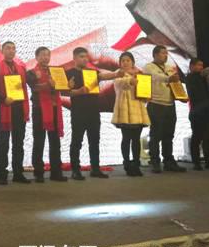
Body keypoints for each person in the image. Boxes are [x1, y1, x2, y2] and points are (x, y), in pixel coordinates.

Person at [64, 47, 119, 180]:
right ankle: (75, 170)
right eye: (81, 56)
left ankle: (95, 168)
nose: (85, 59)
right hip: (78, 112)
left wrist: (117, 73)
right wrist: (77, 91)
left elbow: (104, 76)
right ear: (75, 58)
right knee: (77, 142)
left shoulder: (92, 72)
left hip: (94, 111)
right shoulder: (68, 73)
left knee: (94, 141)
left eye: (86, 57)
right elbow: (64, 92)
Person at [0, 41, 30, 185]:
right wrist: (3, 99)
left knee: (18, 142)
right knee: (3, 142)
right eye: (8, 48)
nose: (11, 51)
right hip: (4, 108)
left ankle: (18, 173)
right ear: (2, 51)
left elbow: (25, 87)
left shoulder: (21, 69)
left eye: (13, 48)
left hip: (19, 109)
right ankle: (2, 174)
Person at [143, 45, 186, 173]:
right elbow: (155, 77)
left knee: (169, 134)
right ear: (155, 55)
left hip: (170, 105)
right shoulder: (148, 67)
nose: (165, 55)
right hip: (156, 104)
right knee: (156, 135)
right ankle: (155, 161)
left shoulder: (169, 68)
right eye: (163, 53)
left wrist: (182, 96)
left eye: (166, 53)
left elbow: (176, 83)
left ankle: (168, 161)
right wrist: (168, 78)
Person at [26, 47, 66, 183]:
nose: (45, 58)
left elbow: (61, 87)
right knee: (39, 141)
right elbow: (35, 87)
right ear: (36, 57)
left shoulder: (55, 71)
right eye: (42, 55)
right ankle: (38, 173)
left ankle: (56, 172)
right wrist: (48, 84)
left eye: (47, 55)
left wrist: (67, 85)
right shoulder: (31, 73)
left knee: (55, 142)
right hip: (39, 109)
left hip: (54, 109)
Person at [112, 52, 150, 176]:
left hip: (138, 110)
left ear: (133, 62)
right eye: (123, 60)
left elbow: (143, 91)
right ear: (120, 63)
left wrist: (146, 95)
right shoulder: (118, 74)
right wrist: (130, 80)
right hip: (125, 111)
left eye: (128, 60)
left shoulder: (140, 75)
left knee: (136, 139)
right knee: (126, 138)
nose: (125, 62)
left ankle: (136, 164)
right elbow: (119, 84)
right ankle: (127, 164)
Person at [185, 58, 209, 170]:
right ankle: (196, 162)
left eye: (202, 65)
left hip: (207, 110)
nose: (201, 67)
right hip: (197, 112)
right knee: (197, 136)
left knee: (208, 137)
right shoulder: (190, 77)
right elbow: (205, 72)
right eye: (198, 65)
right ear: (191, 66)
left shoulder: (204, 78)